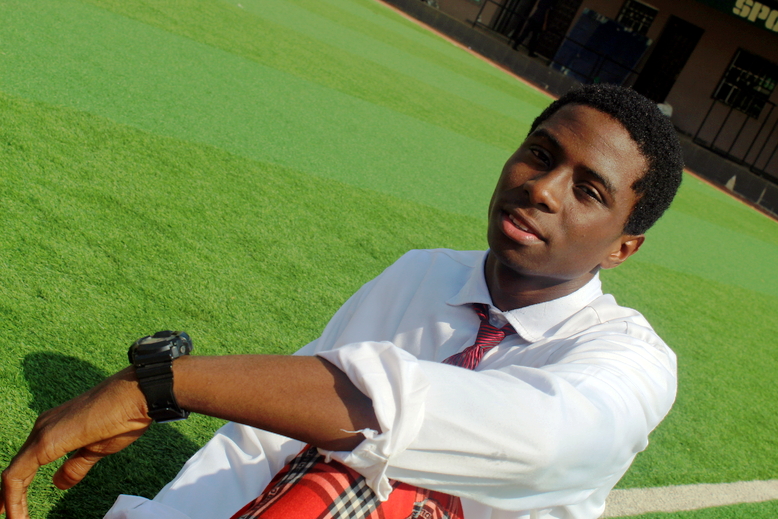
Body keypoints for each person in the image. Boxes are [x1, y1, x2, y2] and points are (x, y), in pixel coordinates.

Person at [0, 84, 684, 519]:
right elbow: (272, 433)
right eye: (540, 154)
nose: (542, 188)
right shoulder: (423, 273)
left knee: (377, 475)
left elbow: (524, 437)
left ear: (623, 247)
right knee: (327, 454)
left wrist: (159, 383)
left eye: (588, 191)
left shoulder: (632, 364)